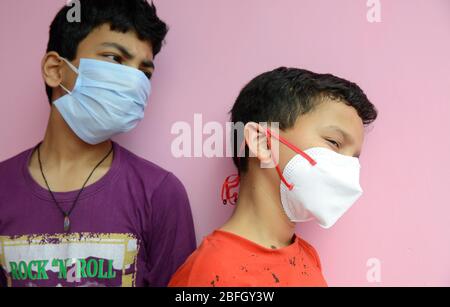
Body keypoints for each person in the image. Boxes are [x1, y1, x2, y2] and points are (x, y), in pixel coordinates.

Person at [0, 0, 196, 287]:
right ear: (56, 69)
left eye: (145, 72)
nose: (133, 81)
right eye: (115, 59)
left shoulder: (160, 194)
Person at [169, 67, 378, 287]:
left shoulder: (308, 257)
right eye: (334, 142)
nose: (347, 167)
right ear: (262, 142)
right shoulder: (208, 273)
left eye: (354, 158)